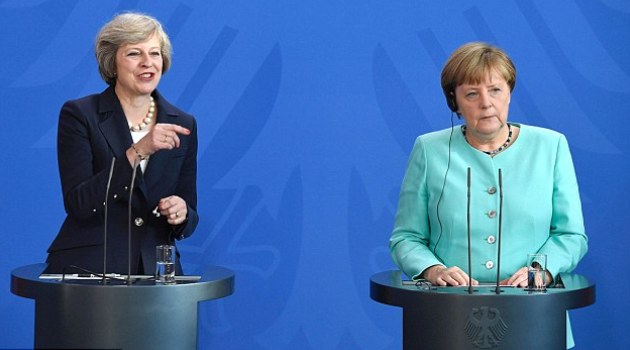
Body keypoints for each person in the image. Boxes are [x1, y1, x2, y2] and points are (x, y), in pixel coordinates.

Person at [389, 42, 588, 348]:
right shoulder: (429, 150)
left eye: (495, 90)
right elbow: (406, 238)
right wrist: (433, 270)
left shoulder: (551, 147)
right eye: (471, 93)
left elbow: (571, 235)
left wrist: (541, 271)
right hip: (445, 321)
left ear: (509, 92)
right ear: (454, 102)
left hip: (535, 320)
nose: (486, 103)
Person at [45, 12, 199, 276]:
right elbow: (79, 203)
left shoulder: (183, 123)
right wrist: (137, 152)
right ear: (112, 62)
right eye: (134, 54)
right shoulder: (80, 114)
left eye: (155, 53)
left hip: (157, 274)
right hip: (90, 269)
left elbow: (190, 210)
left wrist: (182, 212)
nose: (147, 63)